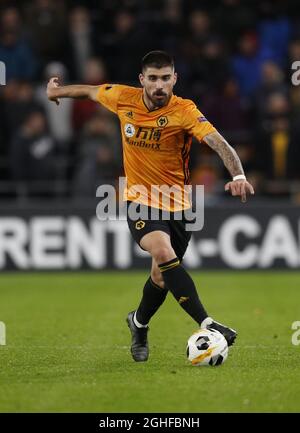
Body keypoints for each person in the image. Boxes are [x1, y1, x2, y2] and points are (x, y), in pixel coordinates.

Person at [47, 50, 255, 362]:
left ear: (175, 79)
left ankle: (139, 323)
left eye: (165, 78)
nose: (159, 85)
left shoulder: (184, 110)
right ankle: (208, 323)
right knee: (162, 252)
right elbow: (90, 91)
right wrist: (56, 91)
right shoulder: (122, 97)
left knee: (161, 276)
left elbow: (218, 143)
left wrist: (237, 174)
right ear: (142, 79)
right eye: (153, 78)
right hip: (138, 200)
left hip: (179, 207)